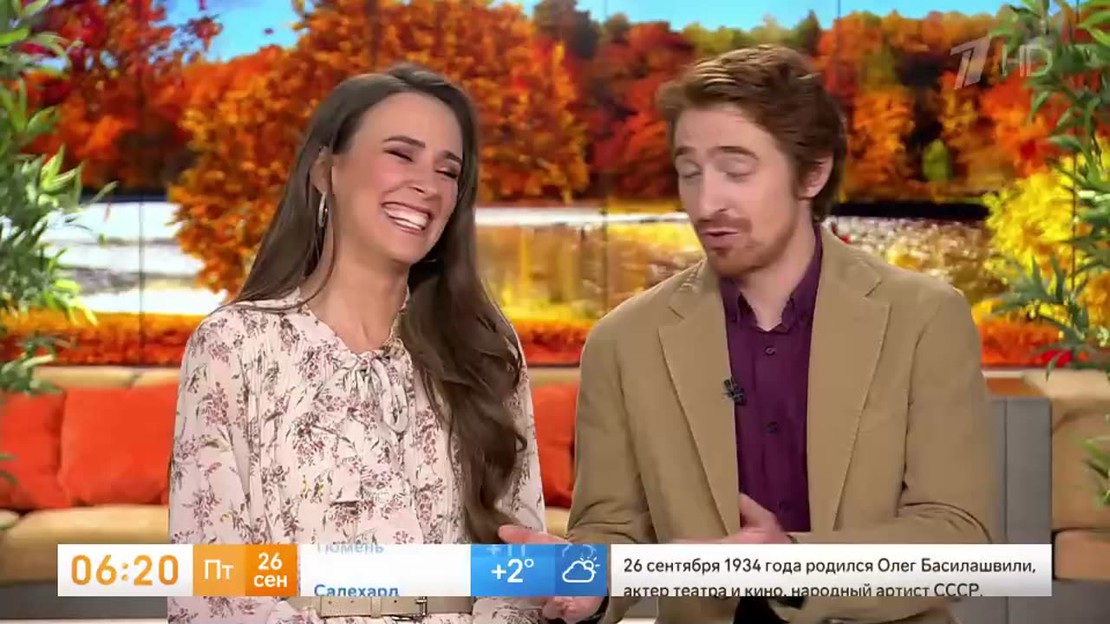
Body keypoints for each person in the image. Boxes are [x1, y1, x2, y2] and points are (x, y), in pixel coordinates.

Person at [499, 45, 998, 624]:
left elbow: (958, 540)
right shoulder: (624, 341)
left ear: (813, 173)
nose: (706, 203)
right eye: (690, 173)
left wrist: (793, 565)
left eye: (736, 170)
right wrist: (588, 582)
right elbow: (613, 531)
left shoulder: (925, 319)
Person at [169, 64, 546, 623]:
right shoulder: (234, 346)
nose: (428, 186)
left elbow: (525, 569)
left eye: (448, 171)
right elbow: (211, 590)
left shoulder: (484, 347)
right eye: (401, 154)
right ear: (327, 170)